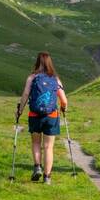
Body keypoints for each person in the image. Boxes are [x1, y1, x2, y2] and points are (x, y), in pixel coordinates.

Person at [16, 52, 68, 185]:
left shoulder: (32, 77)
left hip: (34, 115)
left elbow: (26, 94)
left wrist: (20, 110)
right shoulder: (55, 79)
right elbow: (63, 100)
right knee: (48, 147)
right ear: (50, 62)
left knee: (36, 143)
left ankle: (37, 167)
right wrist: (63, 108)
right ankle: (47, 177)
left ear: (37, 62)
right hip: (51, 116)